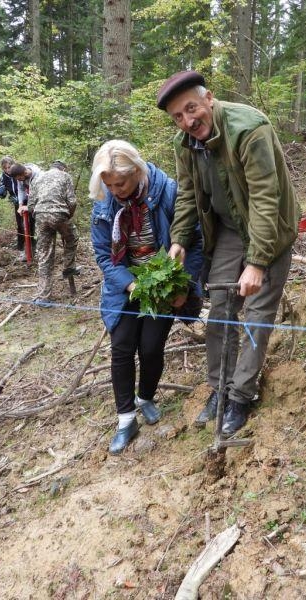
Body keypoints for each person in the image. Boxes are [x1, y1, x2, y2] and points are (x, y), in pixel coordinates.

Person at [157, 70, 301, 436]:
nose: (188, 121)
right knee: (220, 309)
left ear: (209, 98)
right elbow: (188, 194)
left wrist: (257, 262)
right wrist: (178, 240)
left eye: (191, 108)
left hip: (270, 227)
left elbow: (267, 200)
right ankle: (219, 388)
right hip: (228, 230)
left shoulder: (249, 129)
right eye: (178, 116)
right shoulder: (184, 143)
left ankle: (241, 396)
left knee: (256, 311)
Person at [90, 140, 202, 454]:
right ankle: (126, 419)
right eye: (109, 184)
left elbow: (194, 239)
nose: (115, 190)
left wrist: (183, 286)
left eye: (121, 182)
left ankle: (146, 397)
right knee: (122, 348)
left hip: (163, 282)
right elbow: (103, 255)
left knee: (151, 348)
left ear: (137, 171)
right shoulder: (104, 203)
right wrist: (129, 285)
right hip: (125, 286)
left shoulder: (168, 192)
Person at [27, 160, 79, 301]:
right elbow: (72, 202)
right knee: (72, 237)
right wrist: (68, 215)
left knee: (45, 256)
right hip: (60, 214)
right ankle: (68, 266)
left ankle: (44, 297)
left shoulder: (37, 178)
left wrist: (40, 217)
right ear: (63, 168)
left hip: (40, 217)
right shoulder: (65, 176)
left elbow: (30, 205)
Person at [0, 156, 26, 260]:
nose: (8, 169)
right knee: (20, 226)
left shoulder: (18, 172)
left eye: (9, 167)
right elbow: (2, 195)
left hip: (28, 201)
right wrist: (1, 191)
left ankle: (32, 247)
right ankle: (21, 249)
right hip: (17, 203)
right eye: (5, 168)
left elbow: (27, 186)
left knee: (30, 224)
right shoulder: (2, 177)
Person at [9, 162, 42, 251]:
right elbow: (21, 190)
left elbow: (40, 194)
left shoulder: (39, 175)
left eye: (19, 178)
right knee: (28, 225)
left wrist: (29, 207)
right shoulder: (20, 176)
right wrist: (20, 205)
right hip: (31, 201)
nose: (19, 180)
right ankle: (31, 249)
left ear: (24, 173)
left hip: (42, 203)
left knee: (41, 227)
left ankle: (41, 250)